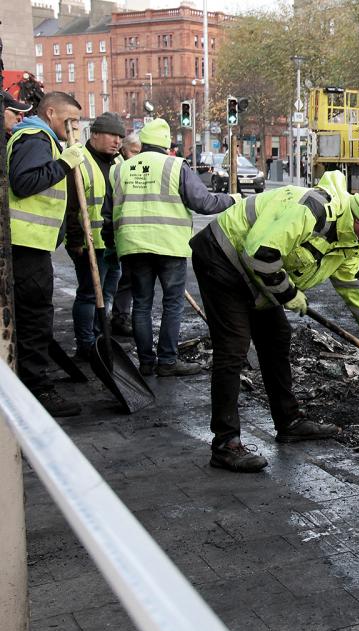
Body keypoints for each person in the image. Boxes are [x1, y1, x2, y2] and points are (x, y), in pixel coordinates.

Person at [189, 171, 359, 472]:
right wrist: (288, 294)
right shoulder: (314, 209)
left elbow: (356, 291)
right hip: (223, 255)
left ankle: (289, 422)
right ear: (357, 217)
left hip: (259, 277)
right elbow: (261, 254)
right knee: (233, 348)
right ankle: (225, 444)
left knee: (276, 338)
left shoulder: (349, 243)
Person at [102, 118, 235, 377]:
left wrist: (111, 245)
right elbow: (204, 203)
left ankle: (146, 363)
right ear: (167, 144)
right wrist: (231, 199)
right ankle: (167, 361)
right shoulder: (176, 166)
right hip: (169, 246)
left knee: (141, 304)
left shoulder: (120, 169)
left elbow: (109, 214)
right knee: (172, 304)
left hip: (133, 246)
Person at [6, 92, 85, 416]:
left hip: (32, 245)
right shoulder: (36, 139)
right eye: (71, 120)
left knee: (33, 316)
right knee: (35, 317)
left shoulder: (43, 140)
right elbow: (24, 183)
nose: (75, 127)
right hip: (27, 246)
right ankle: (37, 390)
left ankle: (31, 384)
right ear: (51, 113)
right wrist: (65, 163)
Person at [63, 113, 126, 361]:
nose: (117, 141)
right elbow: (70, 205)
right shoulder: (79, 160)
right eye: (112, 135)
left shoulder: (119, 162)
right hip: (91, 244)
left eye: (120, 136)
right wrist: (75, 240)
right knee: (89, 295)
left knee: (108, 294)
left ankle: (101, 338)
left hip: (114, 243)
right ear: (96, 134)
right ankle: (86, 345)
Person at [109, 132, 142, 337]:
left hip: (129, 232)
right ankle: (118, 317)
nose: (136, 157)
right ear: (124, 149)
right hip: (119, 232)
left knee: (127, 278)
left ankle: (120, 315)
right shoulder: (119, 168)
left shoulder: (133, 166)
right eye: (133, 152)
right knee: (121, 279)